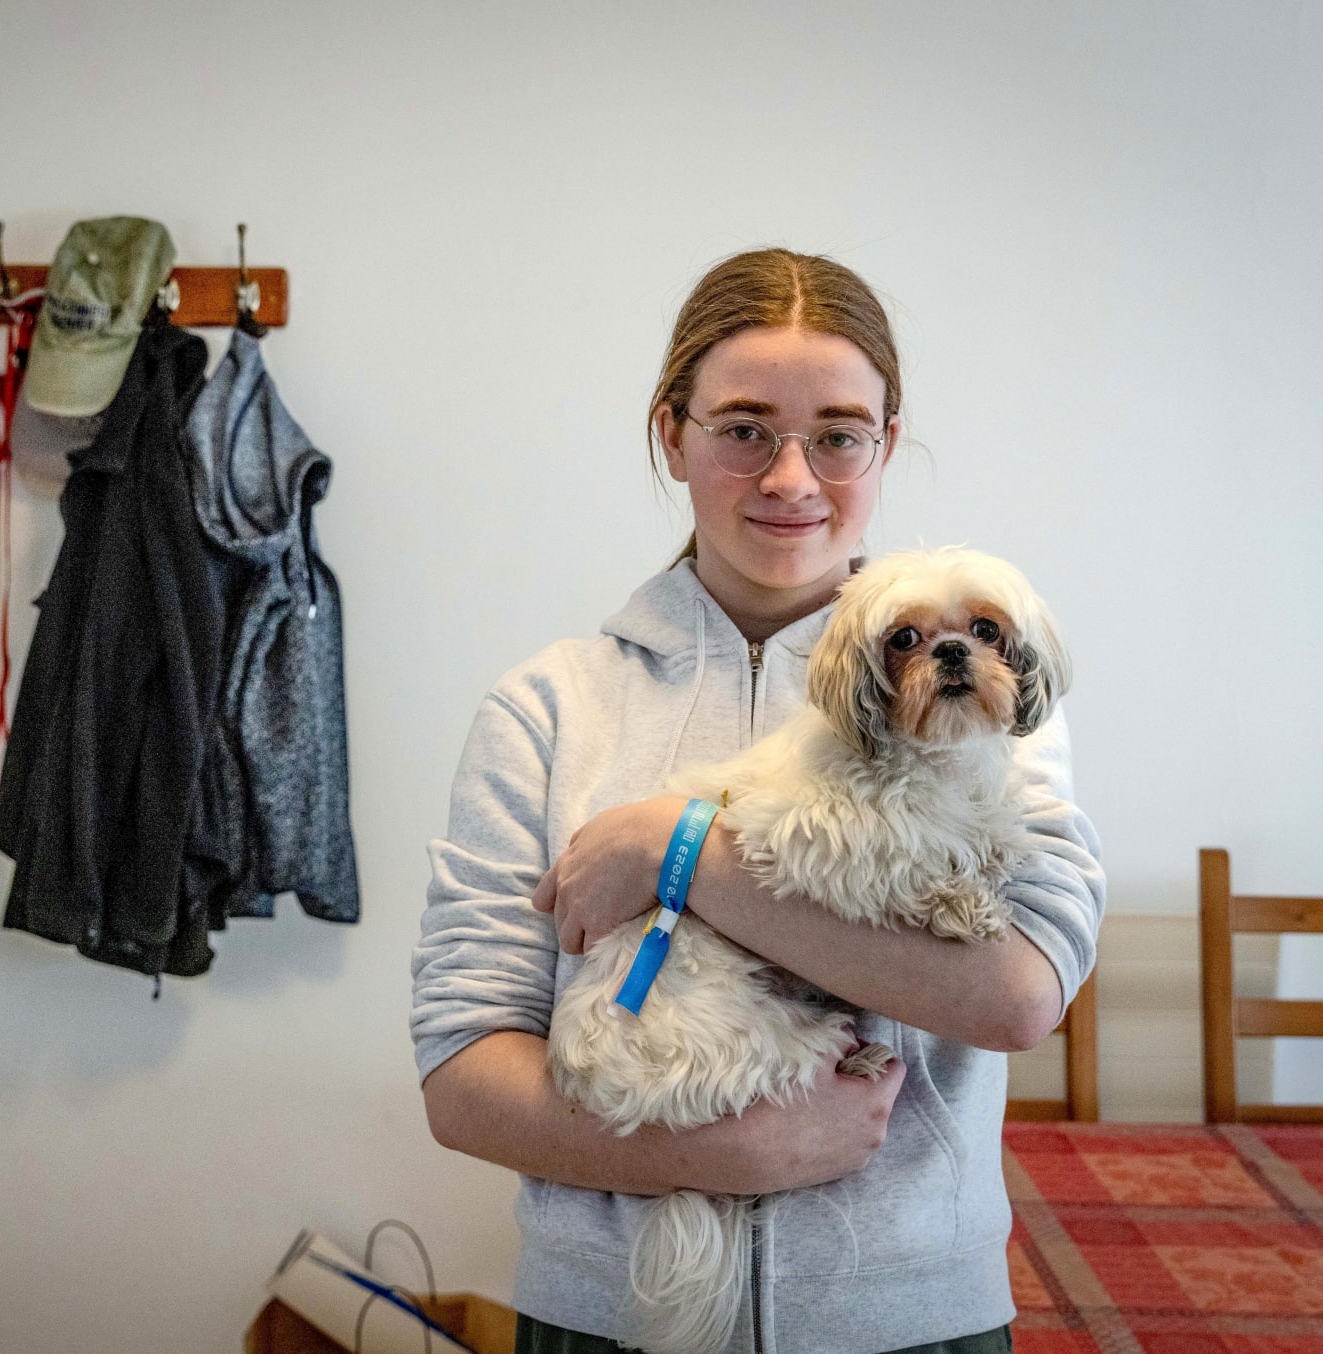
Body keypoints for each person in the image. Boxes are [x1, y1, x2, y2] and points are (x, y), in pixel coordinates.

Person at [411, 248, 1105, 1354]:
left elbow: (1019, 997)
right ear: (670, 434)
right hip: (613, 1319)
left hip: (908, 1321)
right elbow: (461, 1078)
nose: (790, 478)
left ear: (884, 443)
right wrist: (720, 1154)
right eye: (743, 428)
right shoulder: (546, 708)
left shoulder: (991, 705)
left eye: (836, 433)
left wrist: (675, 852)